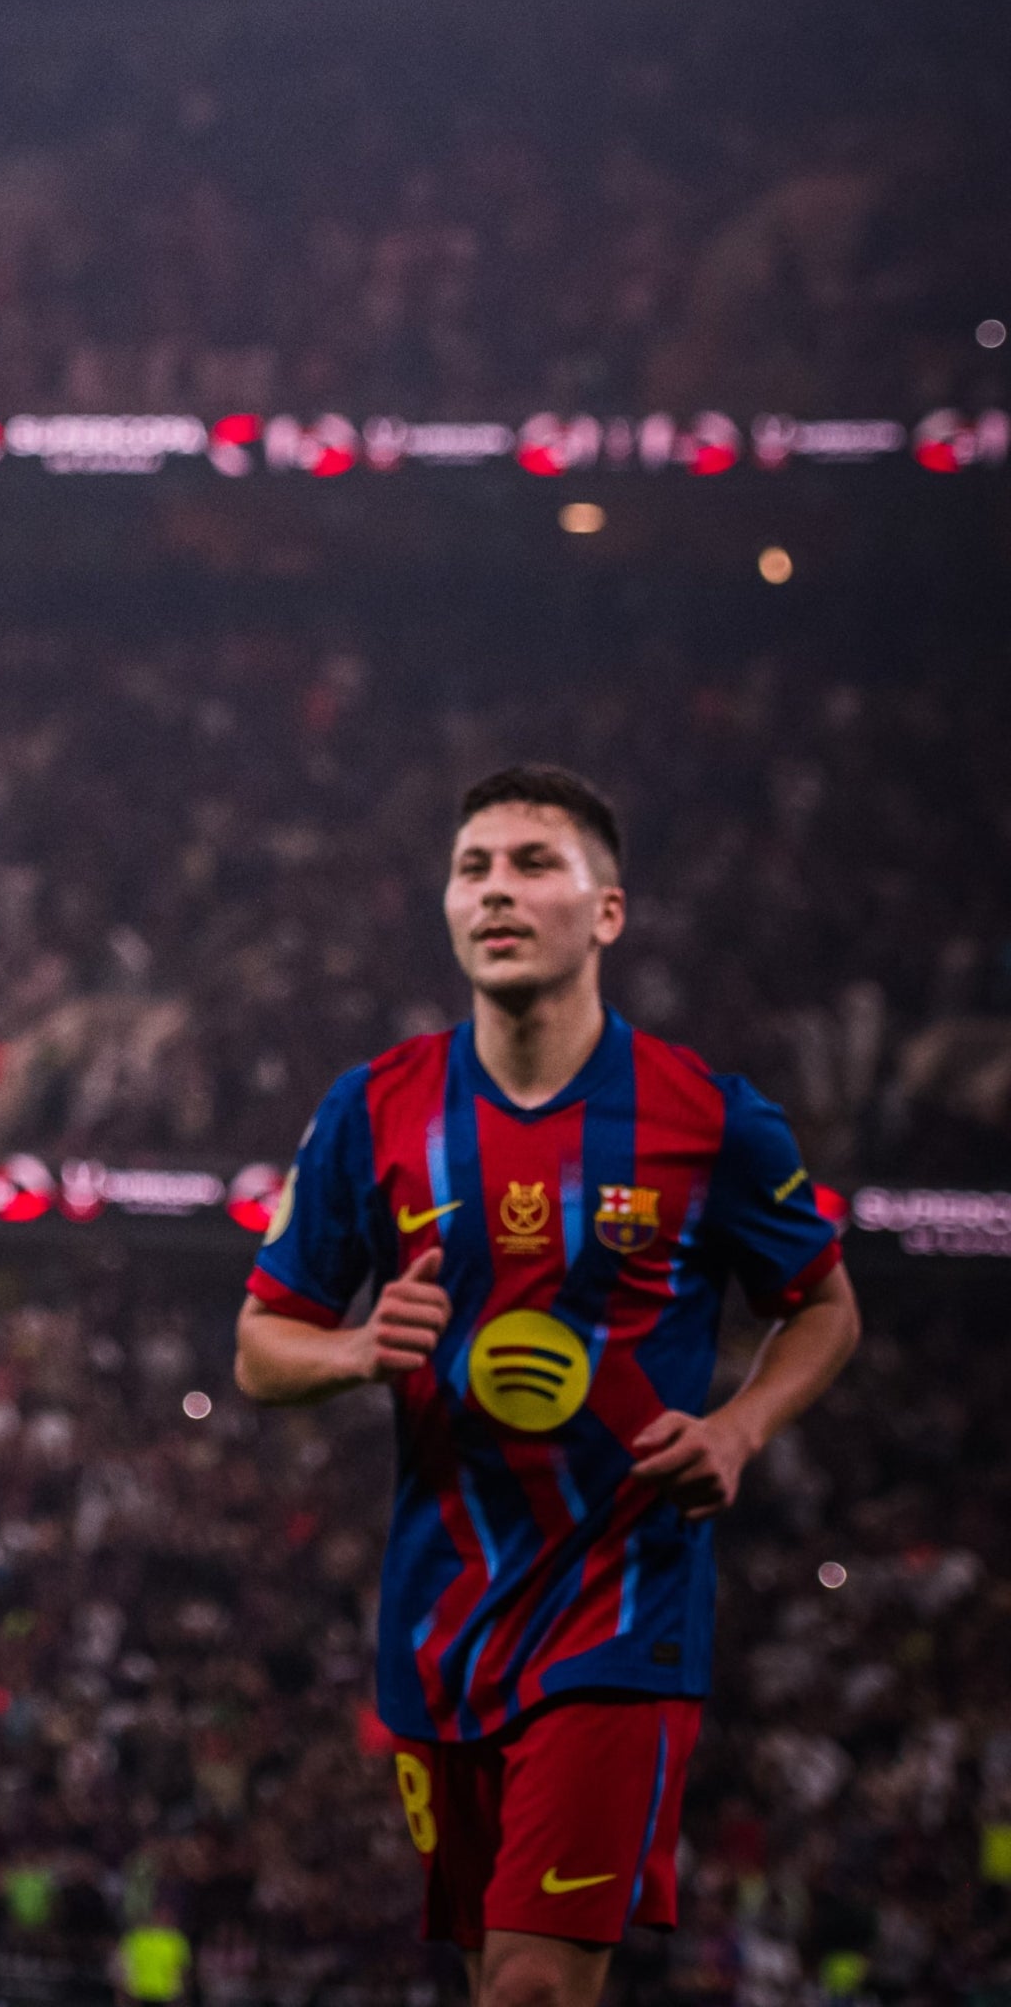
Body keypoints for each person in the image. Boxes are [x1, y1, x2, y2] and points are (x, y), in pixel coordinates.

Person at [234, 764, 860, 2007]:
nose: (496, 890)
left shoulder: (707, 1117)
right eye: (473, 867)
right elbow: (260, 1345)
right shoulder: (370, 1111)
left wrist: (741, 1424)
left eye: (532, 862)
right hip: (440, 1622)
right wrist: (357, 1348)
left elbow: (825, 1305)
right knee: (493, 1977)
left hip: (621, 1611)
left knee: (531, 1982)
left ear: (606, 911)